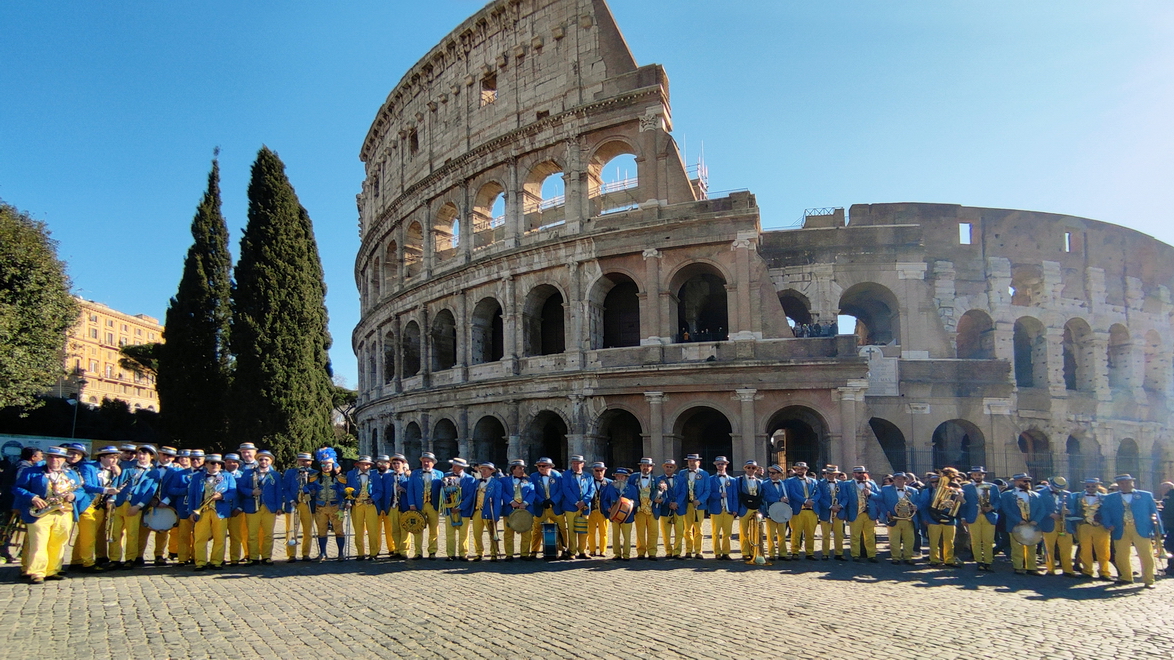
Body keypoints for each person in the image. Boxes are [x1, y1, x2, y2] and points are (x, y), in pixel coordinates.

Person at [13, 447, 84, 584]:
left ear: (64, 459)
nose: (54, 460)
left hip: (63, 511)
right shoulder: (32, 471)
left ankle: (52, 570)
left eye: (58, 457)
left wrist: (74, 495)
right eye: (51, 457)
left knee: (58, 542)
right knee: (39, 543)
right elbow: (17, 488)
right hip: (40, 513)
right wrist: (32, 497)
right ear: (46, 458)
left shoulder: (71, 473)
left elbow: (80, 490)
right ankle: (37, 572)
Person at [1101, 474, 1162, 587]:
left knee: (1146, 555)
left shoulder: (1146, 495)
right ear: (1118, 485)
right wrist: (1108, 524)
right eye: (1122, 483)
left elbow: (1154, 512)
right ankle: (1126, 577)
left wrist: (1159, 530)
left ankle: (1148, 580)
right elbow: (1104, 512)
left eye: (1127, 482)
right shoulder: (1110, 497)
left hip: (1141, 528)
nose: (1125, 485)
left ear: (1132, 483)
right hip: (1120, 528)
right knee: (1121, 555)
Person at [107, 445, 161, 569]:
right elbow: (116, 481)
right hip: (120, 502)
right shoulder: (126, 465)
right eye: (140, 453)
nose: (141, 456)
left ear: (151, 457)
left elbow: (150, 492)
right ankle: (114, 559)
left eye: (145, 454)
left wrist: (139, 506)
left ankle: (130, 559)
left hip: (135, 505)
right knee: (115, 533)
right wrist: (112, 498)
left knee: (132, 534)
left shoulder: (154, 472)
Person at [70, 445, 120, 572]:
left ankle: (76, 561)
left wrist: (111, 495)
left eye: (116, 457)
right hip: (88, 504)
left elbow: (115, 487)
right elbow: (86, 485)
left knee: (86, 535)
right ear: (102, 457)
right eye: (111, 457)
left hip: (101, 505)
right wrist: (105, 490)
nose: (114, 460)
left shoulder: (114, 470)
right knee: (88, 535)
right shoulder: (88, 467)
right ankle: (87, 563)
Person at [188, 454, 236, 571]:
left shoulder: (228, 476)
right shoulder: (197, 477)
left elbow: (233, 493)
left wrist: (222, 496)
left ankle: (216, 561)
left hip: (220, 511)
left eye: (219, 463)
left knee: (220, 538)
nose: (216, 465)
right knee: (200, 537)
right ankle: (200, 562)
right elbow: (192, 495)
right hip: (202, 511)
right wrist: (191, 511)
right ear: (206, 464)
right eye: (212, 463)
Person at [240, 450, 284, 565]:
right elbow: (241, 487)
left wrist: (279, 507)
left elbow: (278, 492)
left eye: (266, 459)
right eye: (261, 459)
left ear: (271, 461)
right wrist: (251, 492)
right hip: (252, 507)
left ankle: (266, 556)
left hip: (269, 507)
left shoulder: (275, 475)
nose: (264, 461)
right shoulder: (248, 473)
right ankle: (253, 557)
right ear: (257, 460)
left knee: (268, 534)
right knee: (252, 534)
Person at [1000, 473, 1047, 575]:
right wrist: (1018, 520)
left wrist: (1036, 521)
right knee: (1017, 547)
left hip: (1032, 525)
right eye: (1024, 481)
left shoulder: (1037, 495)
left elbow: (1042, 509)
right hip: (1015, 525)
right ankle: (1018, 567)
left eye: (1028, 481)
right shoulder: (1006, 495)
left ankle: (1032, 568)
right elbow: (1006, 509)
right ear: (1016, 482)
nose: (1027, 483)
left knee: (1032, 547)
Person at [1072, 478, 1112, 580]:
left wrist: (1106, 522)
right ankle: (1087, 571)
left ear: (1098, 486)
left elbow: (1109, 511)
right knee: (1085, 549)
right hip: (1083, 525)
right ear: (1084, 486)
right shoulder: (1077, 496)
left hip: (1100, 526)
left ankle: (1104, 572)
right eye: (1088, 486)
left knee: (1103, 550)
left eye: (1093, 486)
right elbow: (1074, 509)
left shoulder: (1105, 497)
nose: (1090, 488)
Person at [961, 466, 999, 572]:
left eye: (979, 474)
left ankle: (988, 562)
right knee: (975, 541)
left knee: (988, 541)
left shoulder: (993, 487)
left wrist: (992, 507)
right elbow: (963, 505)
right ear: (971, 476)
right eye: (975, 475)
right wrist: (963, 517)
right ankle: (979, 562)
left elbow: (998, 501)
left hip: (989, 516)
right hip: (973, 516)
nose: (977, 476)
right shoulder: (966, 488)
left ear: (984, 475)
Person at [406, 452, 444, 560]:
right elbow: (410, 489)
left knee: (434, 529)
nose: (426, 463)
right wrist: (412, 504)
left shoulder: (440, 474)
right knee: (417, 529)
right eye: (424, 461)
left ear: (433, 463)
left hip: (433, 505)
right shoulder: (415, 473)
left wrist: (442, 505)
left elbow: (443, 491)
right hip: (419, 505)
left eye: (428, 461)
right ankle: (418, 552)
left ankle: (432, 551)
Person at [346, 455, 384, 561]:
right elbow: (347, 489)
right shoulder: (351, 474)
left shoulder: (375, 475)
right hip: (357, 505)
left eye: (367, 464)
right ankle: (360, 553)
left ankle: (373, 553)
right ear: (358, 465)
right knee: (358, 530)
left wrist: (373, 499)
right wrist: (348, 501)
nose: (364, 467)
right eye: (362, 464)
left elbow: (380, 491)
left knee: (373, 530)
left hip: (370, 505)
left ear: (370, 465)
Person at [839, 466, 880, 562]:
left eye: (863, 473)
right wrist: (845, 514)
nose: (862, 474)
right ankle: (855, 554)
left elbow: (880, 496)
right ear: (854, 474)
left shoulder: (871, 484)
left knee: (870, 536)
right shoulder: (847, 484)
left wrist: (870, 494)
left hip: (870, 513)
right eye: (859, 473)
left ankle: (871, 555)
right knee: (855, 536)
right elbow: (845, 498)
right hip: (855, 513)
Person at [312, 449, 346, 561]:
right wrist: (309, 491)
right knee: (321, 530)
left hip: (335, 507)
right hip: (320, 507)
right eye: (323, 464)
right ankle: (323, 553)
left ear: (333, 465)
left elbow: (344, 492)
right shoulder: (315, 478)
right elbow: (309, 487)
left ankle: (340, 553)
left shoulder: (339, 478)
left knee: (339, 530)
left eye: (328, 464)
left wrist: (343, 506)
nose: (326, 467)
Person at [529, 457, 565, 559]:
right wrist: (541, 501)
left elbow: (561, 490)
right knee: (537, 529)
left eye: (543, 466)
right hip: (540, 507)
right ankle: (534, 550)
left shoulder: (557, 475)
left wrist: (553, 501)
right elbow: (532, 491)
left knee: (562, 528)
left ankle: (563, 549)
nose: (541, 468)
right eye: (539, 466)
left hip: (555, 507)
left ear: (550, 466)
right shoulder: (533, 476)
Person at [1040, 477, 1077, 577]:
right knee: (1048, 548)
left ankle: (1068, 570)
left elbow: (1073, 509)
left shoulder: (1067, 494)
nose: (1058, 490)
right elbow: (1039, 508)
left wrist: (1069, 511)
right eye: (1056, 488)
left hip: (1064, 523)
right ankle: (1050, 569)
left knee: (1067, 548)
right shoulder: (1041, 493)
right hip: (1049, 523)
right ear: (1051, 484)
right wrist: (1050, 514)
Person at [559, 455, 595, 560]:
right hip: (570, 506)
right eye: (573, 463)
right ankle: (572, 551)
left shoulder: (588, 476)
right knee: (571, 530)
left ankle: (583, 551)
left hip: (584, 507)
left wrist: (584, 501)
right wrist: (575, 502)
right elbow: (566, 489)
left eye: (578, 463)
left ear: (582, 464)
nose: (575, 465)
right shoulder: (566, 475)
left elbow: (592, 490)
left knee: (584, 529)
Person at [283, 452, 317, 562]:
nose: (304, 463)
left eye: (307, 461)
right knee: (291, 531)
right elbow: (285, 488)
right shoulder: (290, 473)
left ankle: (306, 554)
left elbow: (317, 487)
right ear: (298, 461)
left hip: (307, 505)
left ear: (310, 462)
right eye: (302, 461)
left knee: (308, 531)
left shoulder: (315, 473)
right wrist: (291, 500)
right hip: (293, 504)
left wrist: (312, 491)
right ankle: (291, 555)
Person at [500, 460, 536, 561]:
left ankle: (524, 554)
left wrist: (525, 503)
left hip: (525, 510)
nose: (522, 470)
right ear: (513, 469)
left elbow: (532, 492)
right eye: (520, 468)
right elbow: (502, 492)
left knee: (526, 533)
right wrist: (511, 501)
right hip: (509, 510)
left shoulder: (529, 480)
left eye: (523, 468)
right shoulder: (504, 480)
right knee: (508, 533)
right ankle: (509, 554)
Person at [880, 472, 918, 565]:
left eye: (902, 478)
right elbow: (880, 501)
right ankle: (895, 557)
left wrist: (916, 506)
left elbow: (919, 502)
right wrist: (886, 511)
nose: (899, 480)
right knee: (894, 540)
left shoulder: (913, 490)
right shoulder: (885, 489)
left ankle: (908, 557)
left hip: (908, 519)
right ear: (893, 480)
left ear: (906, 480)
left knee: (909, 540)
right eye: (897, 478)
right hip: (893, 519)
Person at [784, 461, 819, 560]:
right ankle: (795, 552)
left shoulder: (814, 481)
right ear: (795, 470)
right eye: (797, 469)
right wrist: (805, 501)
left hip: (811, 511)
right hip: (797, 510)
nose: (800, 471)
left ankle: (810, 552)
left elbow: (818, 493)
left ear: (806, 470)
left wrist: (813, 501)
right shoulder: (790, 481)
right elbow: (792, 493)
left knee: (810, 533)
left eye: (802, 469)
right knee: (796, 532)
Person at [469, 462, 503, 561]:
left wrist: (496, 515)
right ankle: (479, 552)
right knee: (477, 534)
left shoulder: (497, 484)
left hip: (489, 511)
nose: (483, 471)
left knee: (492, 534)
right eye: (482, 469)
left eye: (485, 470)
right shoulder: (477, 482)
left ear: (491, 471)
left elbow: (497, 500)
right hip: (477, 511)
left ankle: (494, 553)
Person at [600, 468, 637, 560]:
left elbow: (637, 501)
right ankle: (617, 554)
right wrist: (608, 508)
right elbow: (605, 500)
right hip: (614, 515)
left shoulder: (632, 488)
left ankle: (626, 555)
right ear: (615, 477)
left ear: (626, 478)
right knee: (615, 536)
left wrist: (632, 502)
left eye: (622, 476)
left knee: (627, 537)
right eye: (618, 476)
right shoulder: (610, 487)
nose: (620, 478)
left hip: (627, 516)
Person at [707, 457, 738, 560]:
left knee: (727, 532)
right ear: (716, 466)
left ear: (726, 465)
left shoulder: (732, 480)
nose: (720, 466)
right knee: (715, 532)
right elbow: (708, 494)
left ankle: (726, 552)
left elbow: (735, 496)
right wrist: (719, 495)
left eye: (722, 464)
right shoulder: (711, 479)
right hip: (716, 509)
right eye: (718, 464)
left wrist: (735, 509)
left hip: (729, 509)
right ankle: (717, 552)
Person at [379, 454, 409, 559]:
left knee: (405, 529)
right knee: (394, 530)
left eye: (398, 463)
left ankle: (404, 551)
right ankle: (396, 550)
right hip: (392, 506)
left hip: (404, 506)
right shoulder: (387, 476)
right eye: (394, 463)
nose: (396, 465)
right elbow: (384, 491)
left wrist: (404, 490)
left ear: (403, 464)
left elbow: (413, 490)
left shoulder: (408, 476)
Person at [656, 459, 686, 559]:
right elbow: (658, 493)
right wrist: (668, 502)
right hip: (665, 508)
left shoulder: (681, 479)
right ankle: (668, 551)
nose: (669, 468)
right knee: (666, 532)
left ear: (674, 468)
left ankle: (677, 551)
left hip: (679, 508)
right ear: (663, 467)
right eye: (667, 466)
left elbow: (683, 493)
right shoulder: (659, 479)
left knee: (679, 531)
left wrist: (677, 503)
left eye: (671, 467)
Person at [681, 454, 709, 559]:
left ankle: (698, 551)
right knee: (687, 529)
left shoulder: (704, 474)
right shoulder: (682, 473)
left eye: (694, 461)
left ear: (699, 462)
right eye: (690, 461)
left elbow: (707, 490)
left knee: (699, 529)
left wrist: (700, 500)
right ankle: (688, 550)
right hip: (686, 504)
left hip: (698, 505)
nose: (692, 463)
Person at [632, 458, 661, 560]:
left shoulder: (656, 479)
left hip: (652, 509)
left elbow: (663, 493)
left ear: (651, 467)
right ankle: (641, 552)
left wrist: (661, 500)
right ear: (640, 466)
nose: (646, 468)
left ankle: (652, 552)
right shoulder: (633, 478)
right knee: (640, 532)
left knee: (653, 532)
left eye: (648, 466)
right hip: (639, 509)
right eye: (644, 465)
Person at [736, 460, 765, 561]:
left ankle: (754, 551)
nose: (751, 469)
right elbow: (736, 495)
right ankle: (745, 552)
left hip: (756, 508)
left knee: (755, 532)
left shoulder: (760, 482)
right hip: (744, 508)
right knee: (744, 531)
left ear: (756, 470)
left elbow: (762, 497)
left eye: (753, 468)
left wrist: (762, 510)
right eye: (748, 467)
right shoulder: (739, 480)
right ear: (745, 468)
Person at [222, 453, 248, 564]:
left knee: (236, 536)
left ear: (238, 464)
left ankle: (235, 558)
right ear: (225, 463)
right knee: (220, 536)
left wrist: (240, 507)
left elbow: (245, 494)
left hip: (237, 510)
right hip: (222, 510)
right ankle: (219, 558)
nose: (231, 464)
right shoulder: (219, 475)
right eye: (229, 462)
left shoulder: (243, 476)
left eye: (234, 462)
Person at [817, 466, 846, 560]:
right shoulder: (820, 483)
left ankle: (839, 553)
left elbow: (846, 497)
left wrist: (840, 506)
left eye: (832, 473)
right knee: (825, 535)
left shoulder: (841, 484)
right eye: (828, 473)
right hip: (826, 512)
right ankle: (825, 553)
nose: (830, 475)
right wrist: (830, 507)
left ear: (836, 474)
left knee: (839, 534)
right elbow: (820, 497)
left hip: (838, 512)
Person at [761, 464, 788, 561]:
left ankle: (783, 553)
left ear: (780, 474)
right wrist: (779, 499)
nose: (771, 474)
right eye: (770, 473)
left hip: (782, 512)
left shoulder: (784, 484)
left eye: (773, 473)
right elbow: (765, 497)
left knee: (782, 534)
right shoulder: (765, 484)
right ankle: (771, 553)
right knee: (770, 534)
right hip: (770, 512)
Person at [587, 462, 611, 557]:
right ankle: (592, 550)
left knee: (604, 532)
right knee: (590, 532)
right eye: (597, 470)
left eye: (601, 470)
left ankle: (603, 550)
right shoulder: (588, 481)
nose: (599, 472)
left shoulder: (610, 483)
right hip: (591, 510)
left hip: (603, 511)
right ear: (593, 471)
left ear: (604, 471)